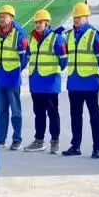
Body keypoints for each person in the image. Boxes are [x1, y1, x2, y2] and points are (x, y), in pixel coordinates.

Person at [62, 2, 99, 158]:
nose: (76, 19)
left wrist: (93, 72)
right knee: (75, 116)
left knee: (94, 116)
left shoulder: (95, 35)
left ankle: (97, 148)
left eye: (80, 17)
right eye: (75, 17)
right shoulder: (68, 35)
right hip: (74, 82)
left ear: (87, 17)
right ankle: (75, 146)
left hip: (89, 82)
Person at [24, 9, 68, 153]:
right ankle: (39, 140)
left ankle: (55, 141)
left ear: (47, 23)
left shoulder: (56, 38)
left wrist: (52, 72)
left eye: (40, 22)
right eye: (36, 22)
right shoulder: (32, 39)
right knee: (39, 113)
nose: (38, 25)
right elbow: (28, 56)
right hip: (36, 82)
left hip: (50, 83)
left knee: (52, 113)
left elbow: (63, 60)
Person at [0, 5, 29, 150]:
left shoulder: (19, 33)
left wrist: (16, 70)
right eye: (0, 16)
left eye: (4, 16)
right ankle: (0, 140)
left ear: (12, 18)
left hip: (12, 78)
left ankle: (17, 139)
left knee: (15, 111)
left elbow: (25, 57)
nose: (1, 19)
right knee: (1, 110)